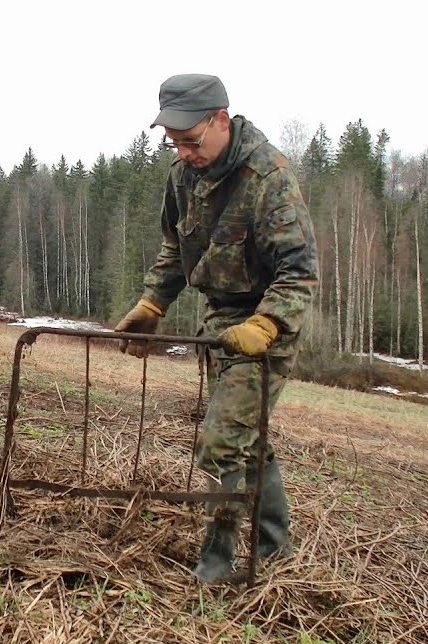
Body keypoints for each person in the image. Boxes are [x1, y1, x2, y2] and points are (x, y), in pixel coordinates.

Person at [113, 73, 318, 584]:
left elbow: (299, 270)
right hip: (218, 322)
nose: (183, 153)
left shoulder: (269, 177)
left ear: (221, 120)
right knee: (251, 436)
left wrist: (267, 324)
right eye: (174, 143)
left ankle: (217, 567)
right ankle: (275, 547)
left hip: (268, 322)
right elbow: (174, 248)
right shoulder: (183, 177)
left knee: (224, 442)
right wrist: (152, 303)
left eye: (191, 141)